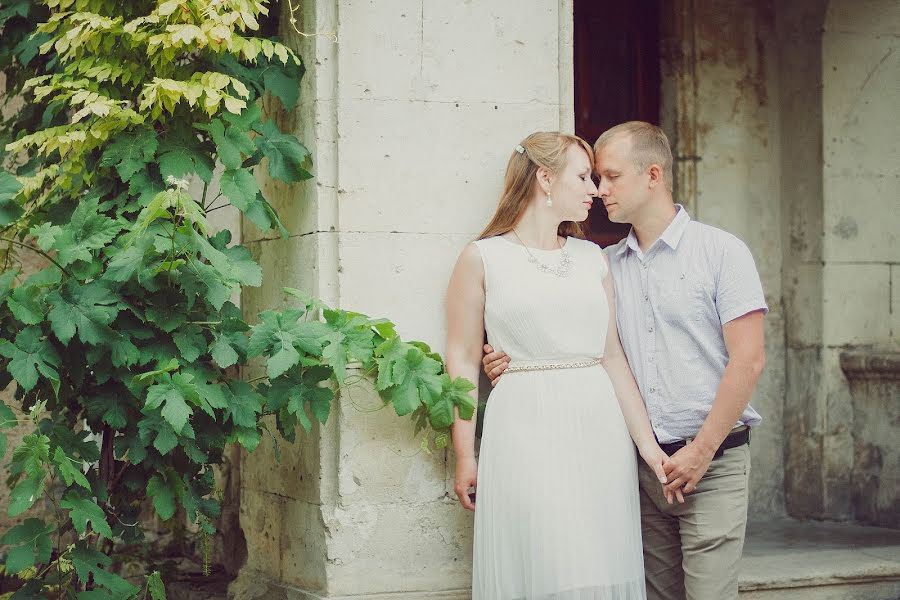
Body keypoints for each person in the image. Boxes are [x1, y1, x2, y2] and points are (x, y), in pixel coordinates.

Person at [483, 122, 768, 600]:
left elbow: (750, 361)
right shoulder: (602, 264)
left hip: (713, 463)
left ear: (652, 175)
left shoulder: (722, 253)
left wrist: (698, 453)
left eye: (611, 176)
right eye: (594, 177)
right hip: (639, 467)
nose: (599, 189)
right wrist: (508, 356)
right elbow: (570, 335)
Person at [445, 131, 670, 600]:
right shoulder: (482, 257)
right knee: (544, 565)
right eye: (584, 176)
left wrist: (649, 450)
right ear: (545, 179)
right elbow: (464, 358)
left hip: (598, 429)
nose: (595, 190)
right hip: (523, 428)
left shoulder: (593, 259)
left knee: (596, 567)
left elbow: (612, 357)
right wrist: (466, 454)